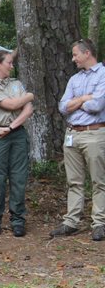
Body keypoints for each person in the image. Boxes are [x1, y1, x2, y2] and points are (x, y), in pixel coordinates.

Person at [51, 39, 105, 241]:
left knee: (99, 181)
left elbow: (97, 105)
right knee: (73, 181)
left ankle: (99, 223)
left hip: (95, 133)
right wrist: (84, 98)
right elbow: (62, 107)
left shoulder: (103, 75)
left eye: (75, 55)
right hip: (72, 133)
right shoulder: (74, 79)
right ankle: (71, 221)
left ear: (87, 53)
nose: (73, 59)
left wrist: (79, 101)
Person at [0, 50, 34, 237]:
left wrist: (11, 127)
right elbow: (10, 105)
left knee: (19, 178)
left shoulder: (16, 83)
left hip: (16, 134)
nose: (12, 66)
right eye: (9, 63)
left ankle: (18, 220)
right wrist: (30, 95)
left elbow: (28, 110)